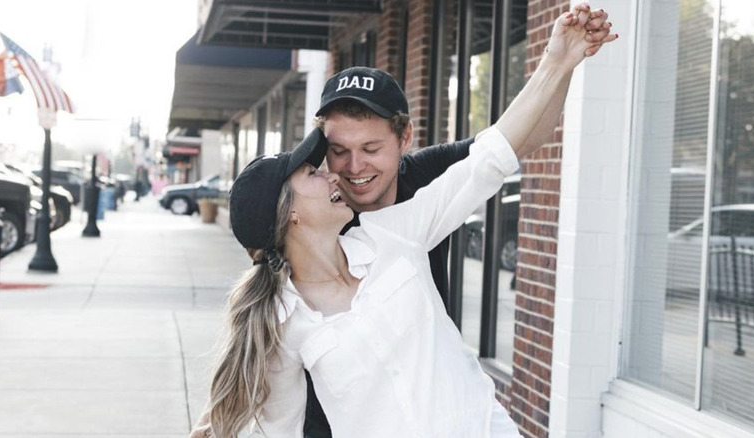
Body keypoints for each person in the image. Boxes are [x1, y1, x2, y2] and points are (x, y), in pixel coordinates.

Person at [189, 6, 616, 438]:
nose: (343, 170)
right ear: (290, 213)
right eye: (327, 159)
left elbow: (499, 150)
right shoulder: (284, 319)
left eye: (371, 148)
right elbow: (272, 425)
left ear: (403, 138)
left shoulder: (395, 230)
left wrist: (559, 61)